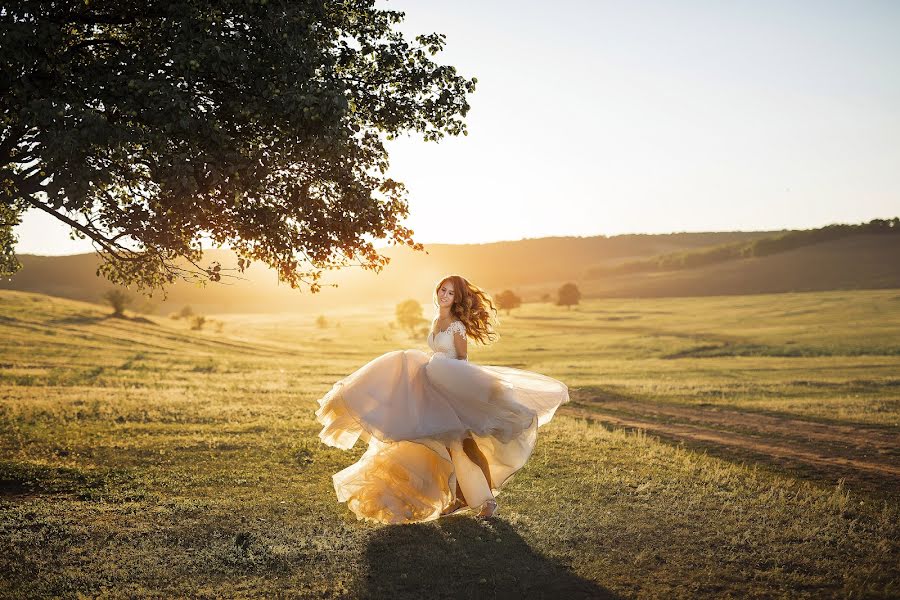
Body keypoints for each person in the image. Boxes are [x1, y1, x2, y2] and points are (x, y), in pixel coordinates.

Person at [315, 274, 569, 524]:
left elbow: (462, 361)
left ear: (457, 298)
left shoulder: (457, 326)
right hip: (433, 388)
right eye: (442, 290)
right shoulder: (436, 319)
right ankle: (459, 498)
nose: (444, 296)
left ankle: (488, 500)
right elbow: (435, 352)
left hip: (455, 390)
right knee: (448, 447)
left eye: (450, 292)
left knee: (468, 446)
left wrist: (456, 390)